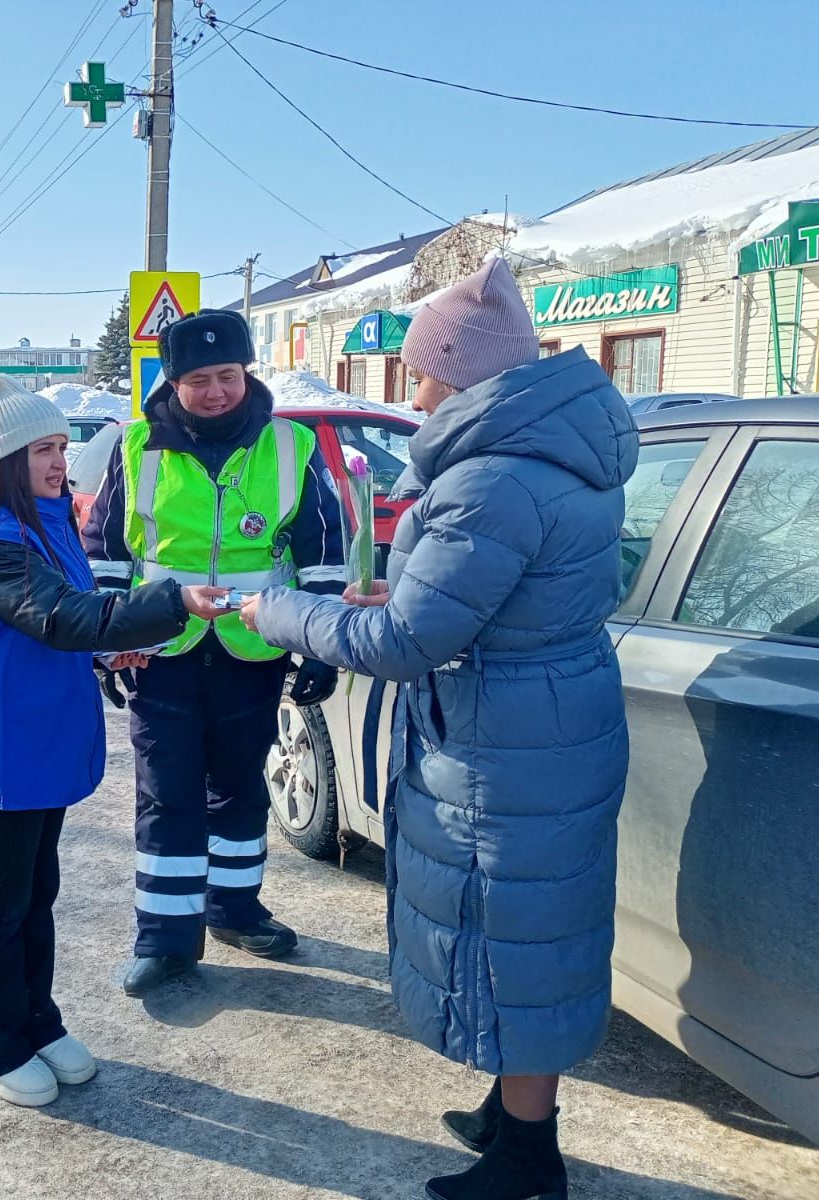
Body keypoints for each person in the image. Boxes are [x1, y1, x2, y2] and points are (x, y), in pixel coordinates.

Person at [241, 257, 638, 1200]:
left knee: (513, 935)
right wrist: (404, 590)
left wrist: (282, 613)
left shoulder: (492, 478)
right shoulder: (558, 453)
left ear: (457, 371)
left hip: (504, 745)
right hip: (549, 719)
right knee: (529, 928)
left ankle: (528, 1162)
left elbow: (407, 641)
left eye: (420, 370)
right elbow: (515, 592)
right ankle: (516, 1112)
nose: (412, 389)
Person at [0, 376, 229, 1106]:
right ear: (5, 460)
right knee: (5, 895)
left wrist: (106, 651)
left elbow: (73, 619)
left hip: (45, 736)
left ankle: (37, 1020)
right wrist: (168, 602)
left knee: (39, 888)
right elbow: (59, 616)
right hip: (3, 746)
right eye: (42, 450)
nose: (59, 461)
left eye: (62, 447)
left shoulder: (51, 521)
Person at [82, 309, 346, 997]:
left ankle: (234, 908)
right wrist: (109, 638)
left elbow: (321, 551)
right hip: (163, 649)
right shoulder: (135, 446)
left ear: (246, 372)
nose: (216, 391)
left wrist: (320, 646)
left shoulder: (291, 446)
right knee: (166, 792)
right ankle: (165, 937)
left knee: (239, 784)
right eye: (198, 379)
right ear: (173, 381)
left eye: (227, 375)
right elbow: (108, 553)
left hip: (253, 646)